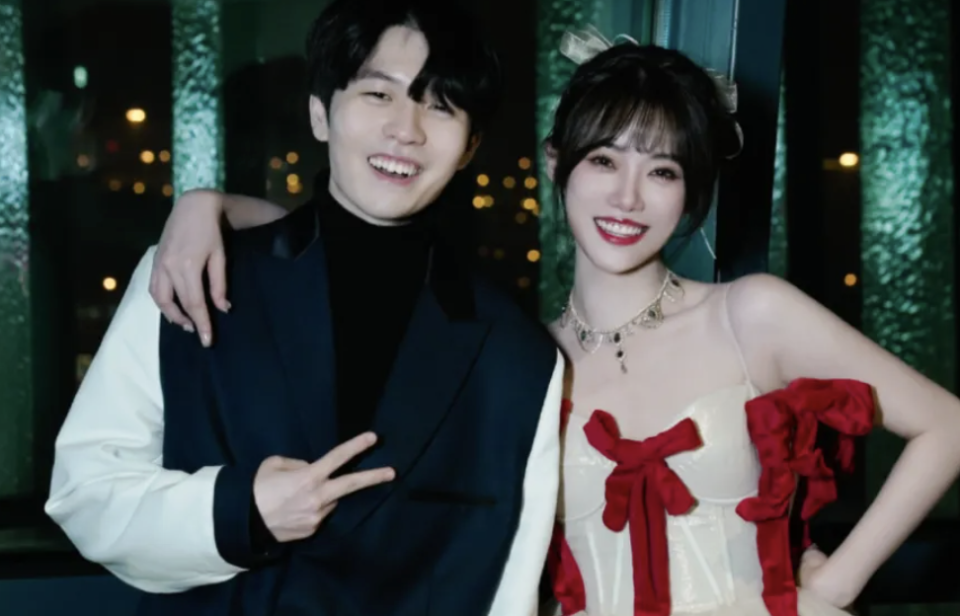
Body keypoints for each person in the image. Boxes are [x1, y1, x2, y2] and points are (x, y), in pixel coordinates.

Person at [147, 29, 960, 616]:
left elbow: (947, 426)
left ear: (690, 191)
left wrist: (834, 585)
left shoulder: (751, 313)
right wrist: (208, 206)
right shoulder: (521, 358)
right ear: (555, 164)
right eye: (604, 160)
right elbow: (349, 240)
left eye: (663, 171)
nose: (627, 198)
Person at [44, 1, 563, 615]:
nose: (407, 129)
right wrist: (241, 512)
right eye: (379, 94)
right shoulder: (190, 273)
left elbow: (510, 593)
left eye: (441, 105)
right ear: (321, 112)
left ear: (470, 144)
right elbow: (85, 493)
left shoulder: (519, 357)